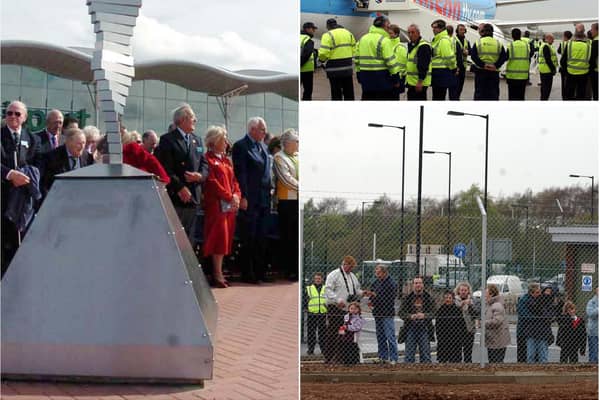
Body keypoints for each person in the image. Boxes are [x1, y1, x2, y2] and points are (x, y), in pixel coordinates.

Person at [1, 100, 42, 277]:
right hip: (3, 199)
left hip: (22, 202)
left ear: (24, 117)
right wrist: (10, 174)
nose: (12, 117)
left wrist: (26, 177)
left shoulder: (33, 139)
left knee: (20, 245)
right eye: (9, 113)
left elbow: (39, 165)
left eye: (17, 114)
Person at [156, 104, 206, 242]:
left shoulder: (197, 140)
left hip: (194, 196)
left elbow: (204, 164)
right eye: (193, 118)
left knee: (190, 239)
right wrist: (180, 187)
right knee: (175, 238)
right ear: (184, 119)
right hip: (177, 198)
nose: (195, 120)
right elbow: (165, 168)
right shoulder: (168, 140)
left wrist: (200, 176)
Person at [231, 117, 272, 284]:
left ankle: (260, 271)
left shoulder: (263, 146)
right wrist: (244, 196)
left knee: (262, 236)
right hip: (250, 198)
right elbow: (241, 174)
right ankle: (248, 273)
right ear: (252, 129)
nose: (264, 132)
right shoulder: (241, 146)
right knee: (249, 236)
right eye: (262, 129)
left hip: (264, 198)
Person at [202, 126, 241, 288]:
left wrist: (237, 195)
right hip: (216, 206)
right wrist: (228, 195)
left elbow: (234, 181)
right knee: (218, 239)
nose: (226, 142)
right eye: (223, 139)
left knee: (226, 239)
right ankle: (216, 273)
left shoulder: (226, 160)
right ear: (215, 141)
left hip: (229, 207)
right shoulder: (207, 159)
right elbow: (211, 182)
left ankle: (219, 271)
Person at [323, 256, 365, 364]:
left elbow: (356, 290)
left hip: (347, 310)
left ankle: (340, 357)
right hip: (335, 308)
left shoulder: (352, 276)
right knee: (333, 332)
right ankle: (329, 357)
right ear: (344, 264)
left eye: (352, 267)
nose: (351, 269)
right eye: (350, 266)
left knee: (343, 333)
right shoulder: (334, 274)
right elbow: (327, 289)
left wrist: (362, 293)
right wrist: (337, 300)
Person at [273, 129, 299, 281]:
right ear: (287, 142)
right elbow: (285, 179)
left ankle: (296, 268)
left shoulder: (298, 157)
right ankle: (288, 270)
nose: (298, 144)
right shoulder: (279, 157)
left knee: (296, 237)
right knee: (288, 237)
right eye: (296, 141)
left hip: (297, 201)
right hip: (287, 202)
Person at [354, 15, 400, 100]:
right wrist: (396, 78)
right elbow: (391, 62)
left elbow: (356, 59)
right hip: (382, 80)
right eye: (388, 25)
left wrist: (358, 74)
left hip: (365, 77)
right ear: (385, 26)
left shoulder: (362, 39)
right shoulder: (385, 40)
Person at [41, 128, 93, 197]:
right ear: (68, 142)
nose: (82, 147)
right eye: (79, 144)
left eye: (83, 143)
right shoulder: (53, 157)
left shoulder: (88, 157)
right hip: (60, 198)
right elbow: (46, 183)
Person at [367, 264, 398, 364]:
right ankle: (382, 357)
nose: (377, 275)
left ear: (384, 272)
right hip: (378, 313)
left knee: (390, 336)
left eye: (379, 272)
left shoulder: (391, 283)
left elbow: (389, 299)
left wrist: (375, 296)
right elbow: (372, 294)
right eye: (376, 272)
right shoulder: (376, 282)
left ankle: (393, 358)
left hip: (387, 313)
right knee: (380, 336)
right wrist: (371, 300)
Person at [399, 276, 435, 363]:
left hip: (425, 328)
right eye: (416, 283)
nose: (418, 285)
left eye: (420, 283)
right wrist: (410, 316)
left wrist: (424, 315)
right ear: (413, 285)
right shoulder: (407, 298)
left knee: (426, 356)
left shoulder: (429, 297)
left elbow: (435, 312)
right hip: (410, 328)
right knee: (409, 356)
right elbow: (400, 313)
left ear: (423, 285)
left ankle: (426, 373)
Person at [318, 18, 356, 100]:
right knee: (349, 91)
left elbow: (324, 53)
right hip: (347, 67)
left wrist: (321, 60)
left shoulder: (327, 35)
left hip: (334, 69)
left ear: (328, 26)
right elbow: (354, 49)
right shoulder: (348, 33)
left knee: (336, 92)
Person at [471, 23, 506, 100]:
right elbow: (503, 57)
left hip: (481, 72)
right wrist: (496, 65)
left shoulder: (478, 42)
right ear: (492, 32)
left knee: (480, 94)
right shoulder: (498, 43)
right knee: (493, 94)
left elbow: (473, 56)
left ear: (483, 31)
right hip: (494, 72)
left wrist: (483, 65)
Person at [562, 24, 592, 100]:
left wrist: (566, 71)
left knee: (569, 94)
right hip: (584, 74)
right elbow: (591, 61)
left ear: (575, 32)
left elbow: (563, 60)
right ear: (584, 32)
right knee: (581, 95)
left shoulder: (569, 44)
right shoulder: (589, 45)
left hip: (570, 73)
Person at [526, 284, 555, 363]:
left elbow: (549, 317)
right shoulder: (530, 300)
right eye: (546, 291)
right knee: (531, 355)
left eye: (550, 292)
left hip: (543, 332)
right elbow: (533, 311)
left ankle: (543, 371)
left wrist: (542, 313)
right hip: (532, 331)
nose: (547, 293)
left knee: (543, 356)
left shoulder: (549, 303)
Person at [430, 19, 457, 100]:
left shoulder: (443, 40)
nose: (433, 30)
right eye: (433, 27)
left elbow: (448, 57)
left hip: (442, 73)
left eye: (435, 27)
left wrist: (453, 68)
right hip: (438, 72)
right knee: (437, 97)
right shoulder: (438, 39)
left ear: (441, 29)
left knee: (439, 97)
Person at [484, 284, 510, 363]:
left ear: (491, 294)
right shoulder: (490, 304)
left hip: (497, 340)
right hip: (493, 338)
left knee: (496, 361)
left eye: (486, 293)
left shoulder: (497, 305)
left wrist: (484, 323)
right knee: (493, 360)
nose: (485, 295)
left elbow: (497, 321)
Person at [405, 24, 432, 101]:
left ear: (418, 33)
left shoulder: (423, 46)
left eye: (413, 32)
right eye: (409, 33)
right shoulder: (413, 45)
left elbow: (423, 66)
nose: (410, 35)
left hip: (418, 83)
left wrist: (420, 82)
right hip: (412, 82)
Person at [454, 281, 478, 363]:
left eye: (465, 290)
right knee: (457, 353)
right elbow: (454, 311)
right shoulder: (455, 300)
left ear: (468, 291)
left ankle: (468, 367)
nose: (463, 292)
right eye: (462, 290)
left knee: (468, 353)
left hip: (469, 329)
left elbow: (475, 314)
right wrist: (462, 303)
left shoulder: (472, 301)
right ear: (458, 291)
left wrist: (470, 305)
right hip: (457, 330)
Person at [435, 290, 462, 363]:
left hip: (455, 340)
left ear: (453, 299)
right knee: (442, 360)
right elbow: (437, 326)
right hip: (443, 339)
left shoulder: (457, 310)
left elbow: (461, 325)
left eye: (450, 298)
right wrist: (439, 336)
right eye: (446, 298)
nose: (448, 299)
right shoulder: (440, 310)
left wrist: (459, 337)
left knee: (455, 361)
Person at [305, 272, 327, 355]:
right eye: (316, 279)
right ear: (314, 279)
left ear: (322, 279)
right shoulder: (309, 288)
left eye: (319, 279)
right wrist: (306, 308)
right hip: (312, 313)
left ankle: (323, 350)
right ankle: (310, 350)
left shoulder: (325, 288)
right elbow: (305, 299)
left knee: (323, 333)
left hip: (322, 313)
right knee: (311, 332)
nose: (317, 280)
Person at [505, 28, 530, 100]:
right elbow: (530, 55)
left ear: (512, 36)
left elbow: (506, 57)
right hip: (523, 76)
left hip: (512, 76)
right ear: (520, 35)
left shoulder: (510, 45)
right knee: (521, 97)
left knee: (512, 97)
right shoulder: (526, 45)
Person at [449, 24, 469, 100]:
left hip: (463, 68)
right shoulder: (453, 40)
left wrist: (467, 52)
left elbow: (470, 51)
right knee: (454, 89)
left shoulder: (466, 41)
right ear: (457, 31)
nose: (463, 31)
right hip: (455, 68)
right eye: (461, 29)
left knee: (460, 88)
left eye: (464, 30)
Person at [388, 24, 407, 99]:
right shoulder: (387, 44)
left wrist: (398, 79)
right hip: (388, 78)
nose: (389, 35)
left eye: (391, 33)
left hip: (396, 78)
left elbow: (401, 65)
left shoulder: (400, 47)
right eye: (388, 33)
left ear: (396, 34)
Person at [300, 22, 318, 101]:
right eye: (313, 28)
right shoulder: (308, 40)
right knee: (307, 91)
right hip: (306, 71)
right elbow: (306, 54)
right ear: (307, 29)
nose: (314, 30)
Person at [538, 33, 558, 100]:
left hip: (544, 70)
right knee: (546, 90)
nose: (553, 40)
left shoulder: (545, 45)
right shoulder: (546, 46)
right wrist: (553, 69)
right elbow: (548, 59)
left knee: (544, 89)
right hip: (547, 71)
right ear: (547, 39)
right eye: (552, 39)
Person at [558, 30, 573, 100]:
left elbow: (558, 51)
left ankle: (564, 97)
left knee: (563, 83)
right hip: (571, 66)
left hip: (564, 66)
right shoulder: (573, 43)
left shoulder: (562, 43)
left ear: (565, 36)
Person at [586, 287, 598, 363]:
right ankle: (593, 365)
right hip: (594, 331)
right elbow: (590, 313)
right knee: (594, 351)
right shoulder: (592, 302)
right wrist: (598, 309)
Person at [590, 22, 598, 101]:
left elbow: (592, 58)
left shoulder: (596, 41)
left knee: (596, 93)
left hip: (596, 71)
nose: (591, 31)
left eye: (592, 29)